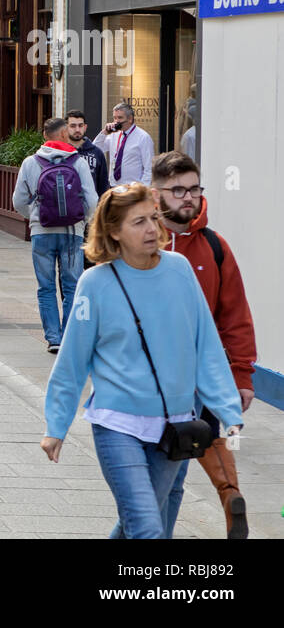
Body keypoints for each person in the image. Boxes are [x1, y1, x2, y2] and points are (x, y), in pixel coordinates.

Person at [41, 183, 243, 539]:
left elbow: (206, 345)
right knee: (148, 526)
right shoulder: (94, 283)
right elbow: (73, 359)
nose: (152, 229)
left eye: (153, 218)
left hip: (174, 425)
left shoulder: (180, 270)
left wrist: (227, 407)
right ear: (114, 231)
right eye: (138, 222)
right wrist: (56, 425)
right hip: (118, 424)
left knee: (139, 520)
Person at [152, 151, 257, 539]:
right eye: (177, 190)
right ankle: (228, 492)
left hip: (194, 381)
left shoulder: (215, 246)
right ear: (155, 192)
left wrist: (242, 376)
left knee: (173, 476)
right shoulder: (139, 239)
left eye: (194, 189)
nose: (189, 198)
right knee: (152, 478)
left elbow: (236, 316)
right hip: (143, 380)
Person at [12, 117, 99, 353]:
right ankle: (69, 335)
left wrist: (34, 217)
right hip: (73, 232)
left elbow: (18, 200)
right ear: (63, 135)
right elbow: (92, 200)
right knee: (72, 285)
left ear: (44, 136)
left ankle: (53, 338)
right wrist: (83, 221)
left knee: (46, 286)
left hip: (42, 232)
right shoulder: (78, 162)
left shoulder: (30, 163)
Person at [95, 102, 154, 186]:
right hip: (114, 186)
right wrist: (104, 133)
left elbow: (149, 168)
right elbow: (96, 149)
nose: (116, 121)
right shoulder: (113, 134)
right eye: (114, 118)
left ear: (130, 119)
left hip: (132, 189)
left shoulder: (143, 137)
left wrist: (142, 190)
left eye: (120, 118)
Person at [65, 109, 110, 197]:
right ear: (66, 128)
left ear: (85, 127)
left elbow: (103, 186)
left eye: (80, 125)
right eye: (73, 126)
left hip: (91, 207)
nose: (77, 129)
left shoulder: (97, 153)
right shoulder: (61, 152)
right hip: (67, 207)